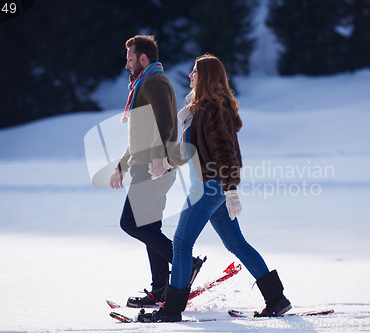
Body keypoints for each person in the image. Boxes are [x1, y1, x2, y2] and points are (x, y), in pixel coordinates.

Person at [148, 54, 292, 322]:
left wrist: (232, 190)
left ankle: (171, 310)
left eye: (194, 71)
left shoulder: (214, 110)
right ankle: (277, 299)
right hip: (210, 188)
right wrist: (166, 163)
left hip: (208, 188)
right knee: (236, 243)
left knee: (181, 243)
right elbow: (190, 150)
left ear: (206, 76)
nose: (190, 75)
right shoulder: (198, 110)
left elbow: (226, 153)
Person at [109, 35, 178, 307]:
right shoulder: (144, 84)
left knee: (130, 223)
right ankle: (160, 288)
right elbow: (137, 137)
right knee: (150, 226)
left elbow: (166, 122)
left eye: (129, 59)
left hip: (152, 167)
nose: (126, 64)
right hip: (146, 164)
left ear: (143, 58)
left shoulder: (154, 83)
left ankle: (184, 261)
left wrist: (159, 156)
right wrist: (121, 165)